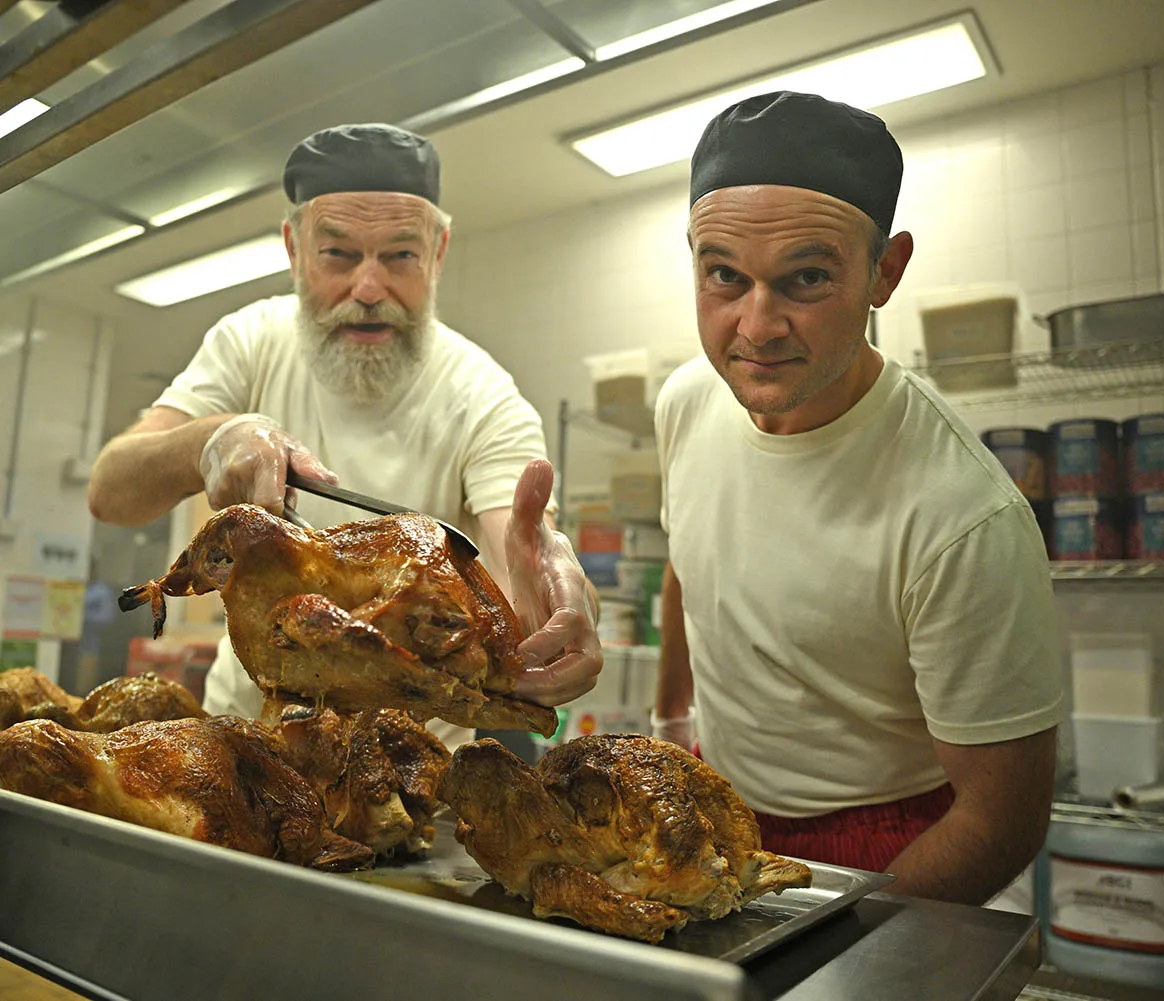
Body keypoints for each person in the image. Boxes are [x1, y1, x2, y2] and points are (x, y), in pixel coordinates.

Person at [651, 92, 1063, 905]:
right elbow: (688, 562)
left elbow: (1003, 819)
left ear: (885, 270)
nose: (757, 326)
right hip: (721, 810)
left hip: (894, 843)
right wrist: (672, 728)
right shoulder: (688, 402)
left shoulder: (961, 515)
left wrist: (835, 938)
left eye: (806, 277)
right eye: (724, 276)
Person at [88, 123, 601, 747]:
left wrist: (548, 582)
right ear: (292, 248)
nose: (367, 289)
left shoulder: (482, 394)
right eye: (338, 254)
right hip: (246, 740)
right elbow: (110, 492)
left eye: (400, 256)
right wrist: (210, 439)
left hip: (413, 769)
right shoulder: (251, 343)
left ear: (438, 253)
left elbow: (518, 534)